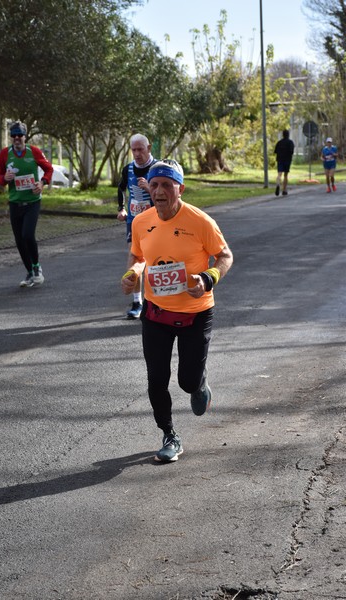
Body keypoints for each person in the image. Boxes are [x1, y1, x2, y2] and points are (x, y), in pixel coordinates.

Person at [121, 159, 233, 462]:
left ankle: (199, 382)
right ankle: (169, 434)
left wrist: (208, 278)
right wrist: (133, 273)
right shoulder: (141, 221)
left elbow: (224, 255)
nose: (159, 191)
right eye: (154, 184)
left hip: (195, 312)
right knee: (156, 378)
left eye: (166, 185)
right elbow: (137, 255)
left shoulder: (200, 221)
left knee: (186, 381)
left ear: (179, 189)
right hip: (156, 312)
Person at [0, 121, 53, 287]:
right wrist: (3, 179)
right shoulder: (5, 154)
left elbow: (48, 169)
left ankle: (37, 267)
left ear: (25, 136)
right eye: (13, 135)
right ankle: (29, 272)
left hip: (33, 201)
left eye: (19, 135)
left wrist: (42, 183)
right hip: (15, 202)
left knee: (28, 235)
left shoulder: (33, 152)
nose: (17, 138)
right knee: (19, 240)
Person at [117, 134, 157, 319]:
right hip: (133, 222)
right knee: (134, 259)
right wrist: (121, 209)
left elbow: (170, 193)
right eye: (134, 150)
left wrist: (150, 188)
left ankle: (156, 300)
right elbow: (121, 188)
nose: (137, 153)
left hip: (156, 221)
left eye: (141, 149)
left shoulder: (158, 168)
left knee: (155, 260)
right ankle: (137, 302)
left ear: (149, 148)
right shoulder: (128, 169)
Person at [274, 129, 294, 196]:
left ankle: (278, 184)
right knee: (285, 175)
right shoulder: (290, 142)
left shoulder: (279, 142)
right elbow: (291, 152)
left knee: (279, 173)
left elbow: (275, 151)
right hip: (287, 160)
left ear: (283, 135)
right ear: (288, 135)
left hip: (280, 159)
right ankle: (284, 190)